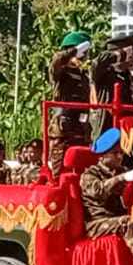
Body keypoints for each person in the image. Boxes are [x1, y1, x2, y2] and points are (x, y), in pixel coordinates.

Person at [78, 129, 133, 259]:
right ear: (102, 156)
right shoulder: (89, 174)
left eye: (121, 152)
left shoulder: (121, 170)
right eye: (115, 153)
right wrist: (122, 178)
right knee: (126, 222)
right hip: (97, 223)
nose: (120, 156)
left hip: (116, 217)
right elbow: (98, 191)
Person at [48, 31, 94, 174]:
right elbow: (56, 61)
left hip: (81, 128)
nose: (85, 57)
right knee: (60, 171)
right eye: (83, 53)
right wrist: (74, 51)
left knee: (81, 170)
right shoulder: (60, 73)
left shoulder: (84, 75)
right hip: (63, 131)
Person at [91, 34, 133, 135]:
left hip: (127, 130)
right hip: (107, 129)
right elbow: (98, 62)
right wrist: (120, 54)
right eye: (131, 53)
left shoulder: (130, 77)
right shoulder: (105, 73)